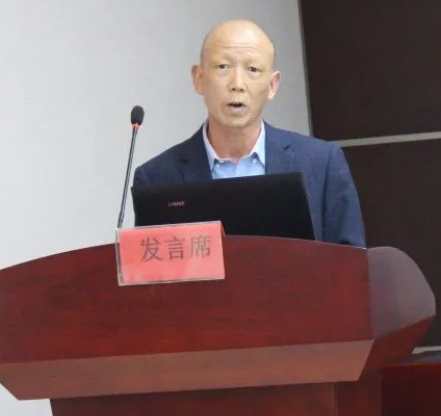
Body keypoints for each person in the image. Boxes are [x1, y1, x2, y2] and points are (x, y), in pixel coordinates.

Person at [133, 20, 365, 247]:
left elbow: (351, 264)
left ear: (272, 85)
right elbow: (152, 268)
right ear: (199, 79)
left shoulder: (322, 163)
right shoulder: (156, 178)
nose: (237, 84)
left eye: (253, 69)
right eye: (223, 67)